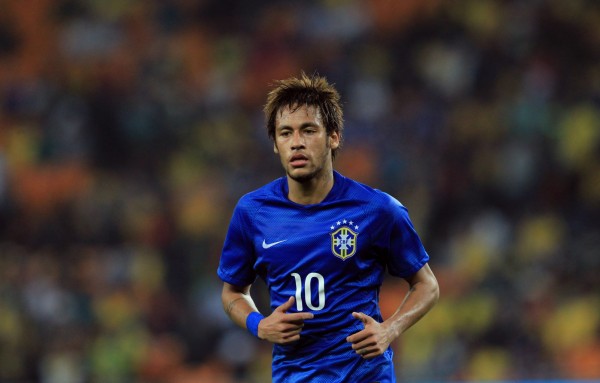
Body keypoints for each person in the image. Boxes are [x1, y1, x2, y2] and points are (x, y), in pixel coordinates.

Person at [217, 72, 439, 383]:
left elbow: (427, 285)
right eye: (285, 133)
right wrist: (259, 324)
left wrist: (390, 329)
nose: (296, 143)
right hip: (295, 375)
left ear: (333, 137)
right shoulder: (252, 212)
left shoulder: (378, 210)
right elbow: (233, 292)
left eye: (308, 130)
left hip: (365, 375)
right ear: (275, 144)